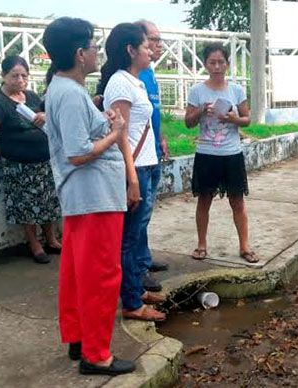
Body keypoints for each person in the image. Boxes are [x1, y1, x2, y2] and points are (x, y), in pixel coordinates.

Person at [42, 17, 138, 375]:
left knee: (77, 272)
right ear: (80, 53)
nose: (99, 51)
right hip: (94, 196)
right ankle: (97, 354)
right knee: (100, 275)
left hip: (86, 197)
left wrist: (102, 118)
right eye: (94, 45)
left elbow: (79, 135)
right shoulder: (68, 93)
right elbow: (78, 153)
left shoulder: (65, 88)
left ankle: (79, 338)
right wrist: (115, 132)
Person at [97, 22, 166, 322]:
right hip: (134, 168)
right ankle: (131, 303)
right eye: (145, 45)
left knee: (136, 235)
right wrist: (132, 178)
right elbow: (120, 134)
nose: (150, 49)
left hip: (146, 165)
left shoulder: (136, 80)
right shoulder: (120, 83)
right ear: (130, 50)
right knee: (128, 238)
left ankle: (136, 290)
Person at [0, 56, 61, 264]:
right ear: (4, 76)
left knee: (48, 202)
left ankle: (51, 238)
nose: (20, 80)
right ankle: (34, 244)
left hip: (43, 161)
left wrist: (44, 115)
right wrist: (0, 151)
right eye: (15, 76)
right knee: (26, 207)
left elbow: (46, 115)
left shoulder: (30, 96)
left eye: (24, 75)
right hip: (20, 165)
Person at [184, 43, 257, 263]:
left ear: (227, 64)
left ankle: (245, 245)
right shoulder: (197, 91)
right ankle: (201, 244)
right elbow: (188, 122)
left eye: (221, 62)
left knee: (237, 201)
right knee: (204, 199)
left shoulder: (236, 90)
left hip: (231, 153)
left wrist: (234, 119)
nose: (217, 67)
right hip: (206, 153)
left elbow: (248, 119)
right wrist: (200, 111)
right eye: (212, 62)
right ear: (205, 64)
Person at [135, 20, 169, 291]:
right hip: (140, 159)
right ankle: (137, 270)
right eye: (153, 40)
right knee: (139, 215)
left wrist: (160, 137)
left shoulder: (149, 73)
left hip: (153, 151)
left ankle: (143, 259)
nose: (158, 45)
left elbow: (150, 115)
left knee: (146, 213)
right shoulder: (132, 77)